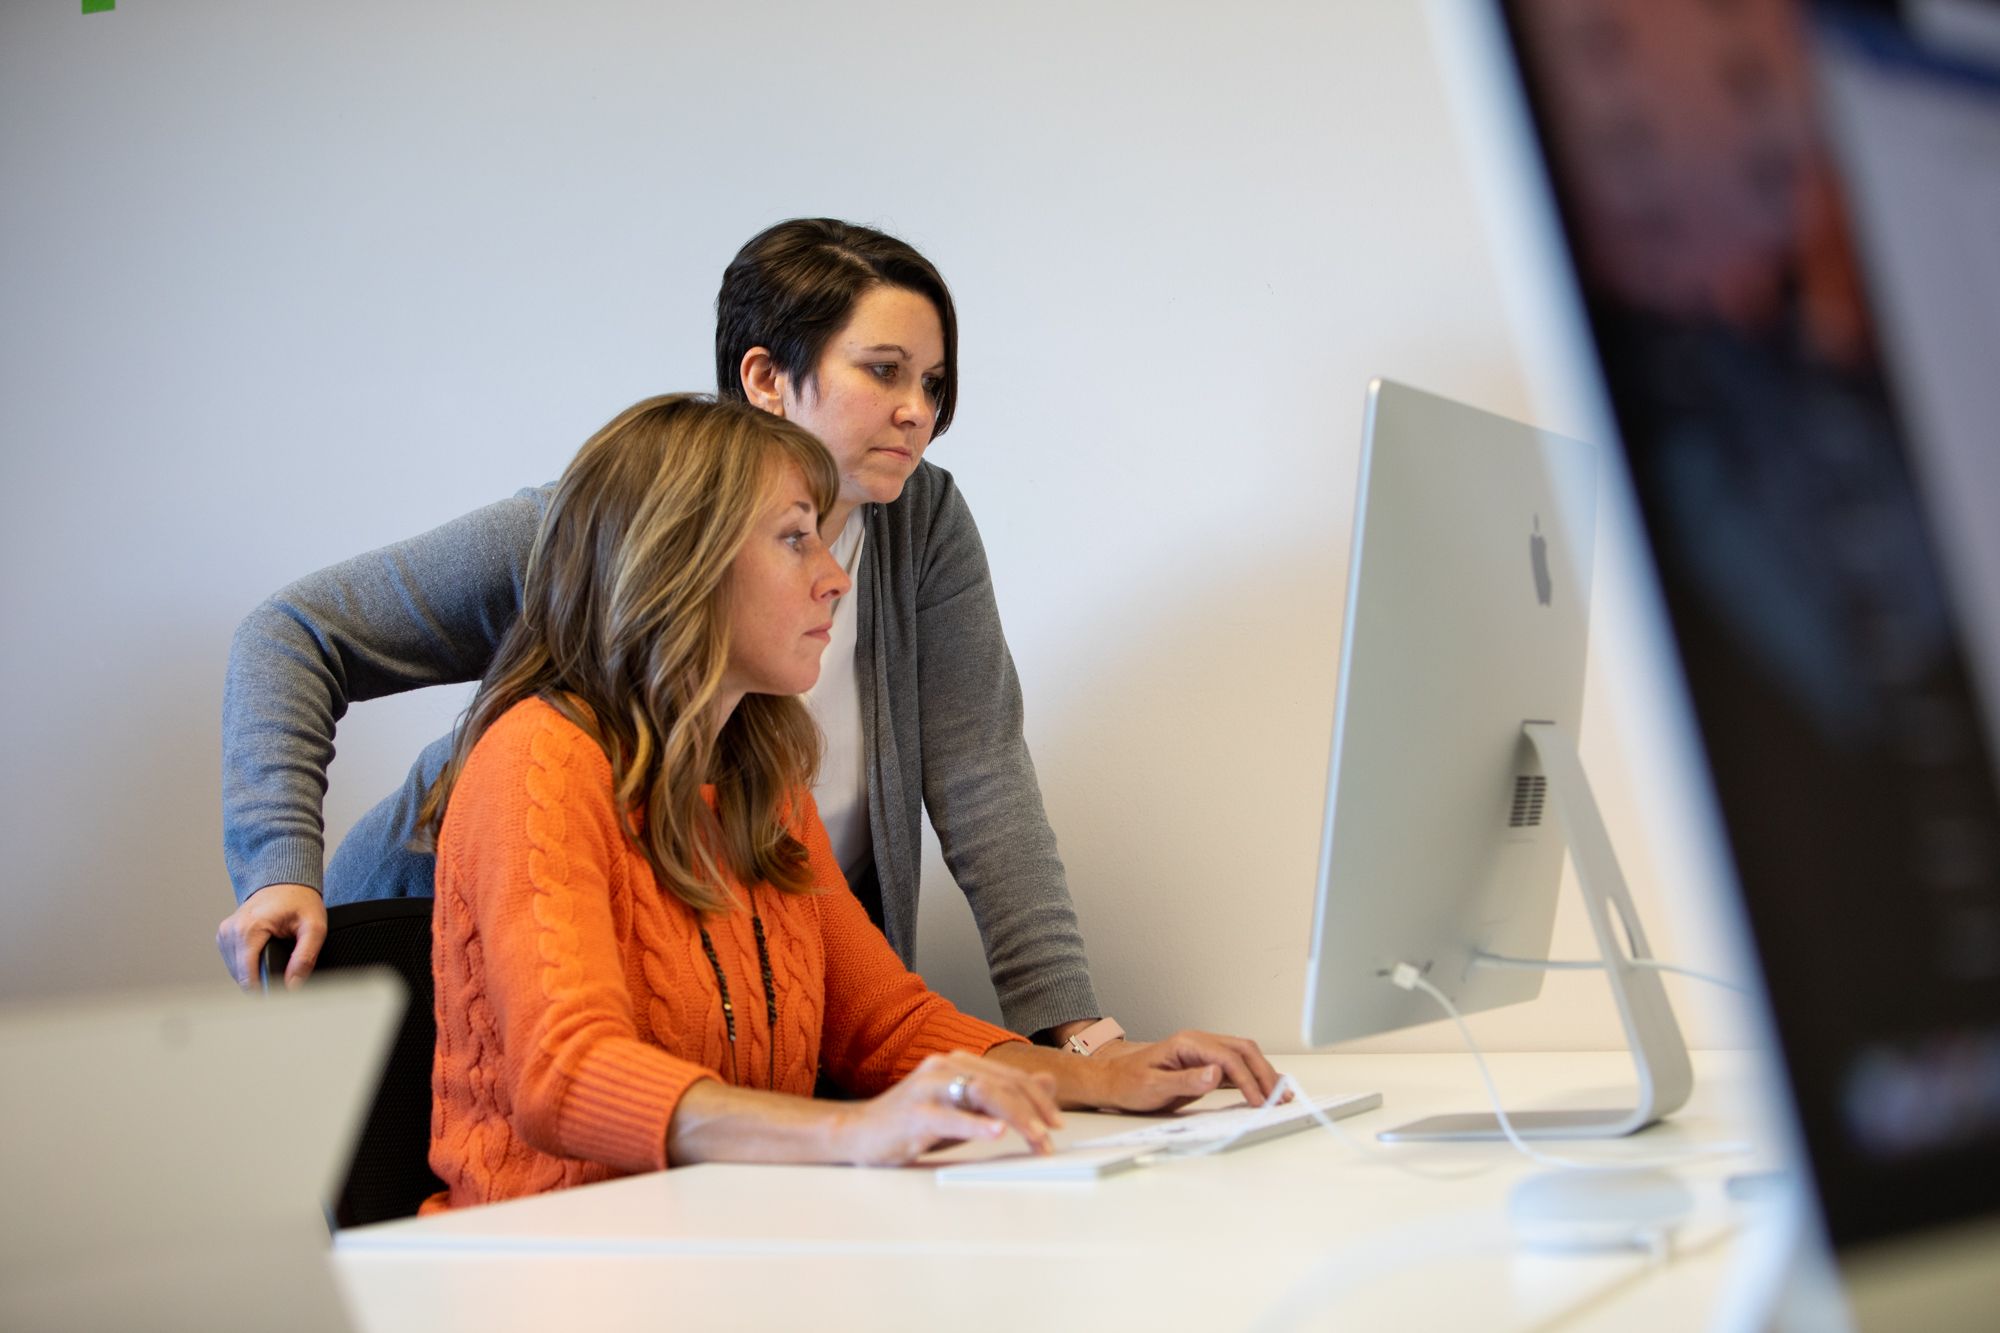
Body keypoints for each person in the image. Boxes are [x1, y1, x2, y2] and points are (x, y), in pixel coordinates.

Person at [218, 219, 1101, 1043]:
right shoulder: (606, 525)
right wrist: (279, 866)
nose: (920, 410)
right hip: (435, 959)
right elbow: (293, 633)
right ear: (763, 379)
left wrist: (1077, 1036)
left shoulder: (922, 524)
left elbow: (984, 776)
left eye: (933, 383)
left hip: (719, 982)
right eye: (884, 370)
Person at [421, 393, 1278, 1207]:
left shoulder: (760, 779)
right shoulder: (540, 759)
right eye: (796, 539)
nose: (835, 576)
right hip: (542, 1268)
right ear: (678, 563)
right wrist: (857, 1130)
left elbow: (886, 1026)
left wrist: (1107, 1073)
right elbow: (566, 1074)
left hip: (723, 1251)